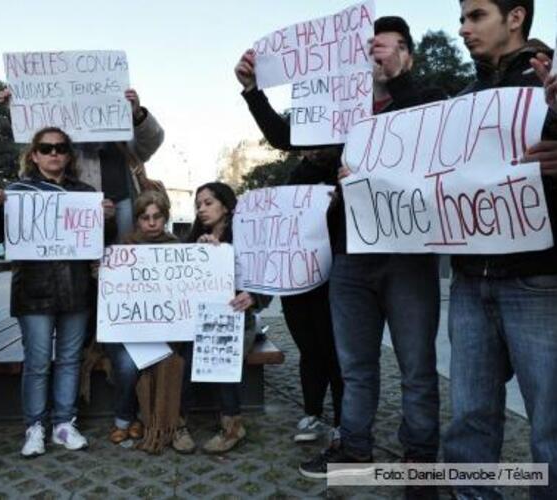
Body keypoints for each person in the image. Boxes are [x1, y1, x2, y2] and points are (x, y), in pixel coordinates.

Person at [238, 18, 446, 486]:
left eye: (387, 47)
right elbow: (286, 136)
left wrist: (396, 76)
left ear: (407, 56)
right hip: (350, 256)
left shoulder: (426, 100)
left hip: (408, 255)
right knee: (355, 365)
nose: (376, 53)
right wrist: (253, 92)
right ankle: (353, 449)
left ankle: (420, 461)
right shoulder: (341, 113)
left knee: (416, 366)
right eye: (369, 47)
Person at [445, 2, 557, 499]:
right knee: (468, 419)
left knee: (550, 425)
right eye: (463, 18)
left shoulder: (548, 86)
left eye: (476, 15)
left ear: (515, 17)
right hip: (470, 281)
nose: (463, 28)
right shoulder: (460, 99)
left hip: (538, 281)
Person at [0, 126, 117, 458]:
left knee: (71, 360)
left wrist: (108, 219)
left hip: (76, 290)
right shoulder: (16, 192)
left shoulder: (87, 193)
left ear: (69, 154)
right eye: (46, 148)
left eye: (60, 148)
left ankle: (64, 424)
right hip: (33, 292)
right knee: (38, 362)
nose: (54, 153)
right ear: (34, 155)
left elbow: (100, 244)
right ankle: (35, 427)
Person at [235, 63, 344, 445]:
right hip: (297, 280)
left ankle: (344, 420)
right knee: (310, 350)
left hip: (337, 278)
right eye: (308, 140)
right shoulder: (298, 174)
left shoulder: (350, 166)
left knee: (335, 351)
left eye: (322, 139)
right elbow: (279, 133)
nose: (314, 147)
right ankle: (313, 412)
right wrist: (252, 91)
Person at [175, 182, 271, 454]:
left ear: (226, 206)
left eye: (208, 203)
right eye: (198, 204)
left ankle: (232, 425)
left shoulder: (247, 237)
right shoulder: (194, 238)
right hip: (200, 320)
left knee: (223, 355)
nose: (201, 209)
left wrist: (252, 296)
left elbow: (269, 274)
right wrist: (201, 253)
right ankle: (178, 423)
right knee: (189, 356)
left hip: (239, 318)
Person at [0, 87, 164, 241]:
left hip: (122, 203)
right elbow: (38, 138)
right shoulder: (63, 141)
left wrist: (138, 115)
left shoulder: (122, 132)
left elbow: (151, 142)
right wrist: (17, 106)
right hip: (78, 208)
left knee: (124, 255)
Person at [103, 190, 186, 454]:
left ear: (165, 218)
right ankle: (124, 418)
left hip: (161, 330)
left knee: (163, 361)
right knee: (127, 365)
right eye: (145, 217)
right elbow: (105, 288)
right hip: (124, 331)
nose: (151, 223)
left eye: (157, 217)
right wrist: (102, 269)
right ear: (137, 220)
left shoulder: (179, 249)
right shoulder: (122, 248)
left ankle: (141, 418)